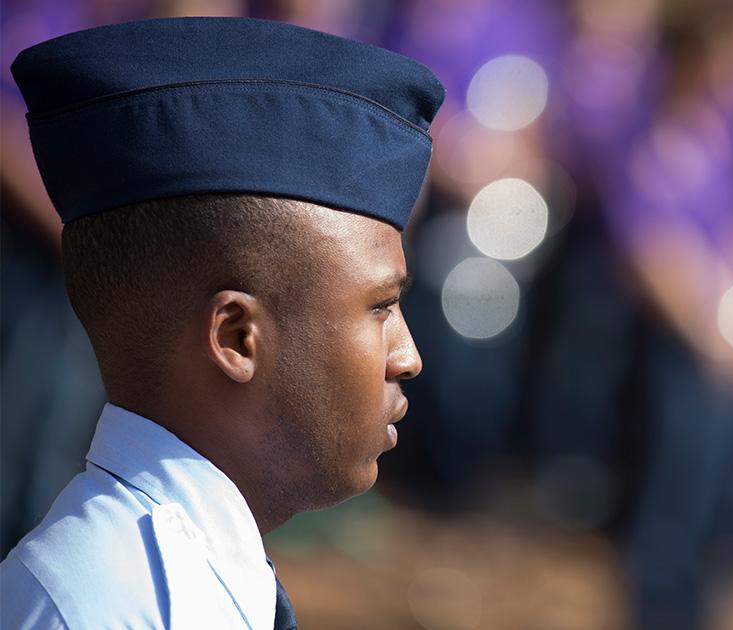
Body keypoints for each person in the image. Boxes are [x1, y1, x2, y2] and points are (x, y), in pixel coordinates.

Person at [0, 16, 443, 629]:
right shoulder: (99, 606)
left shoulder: (187, 580)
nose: (408, 355)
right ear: (237, 337)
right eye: (381, 308)